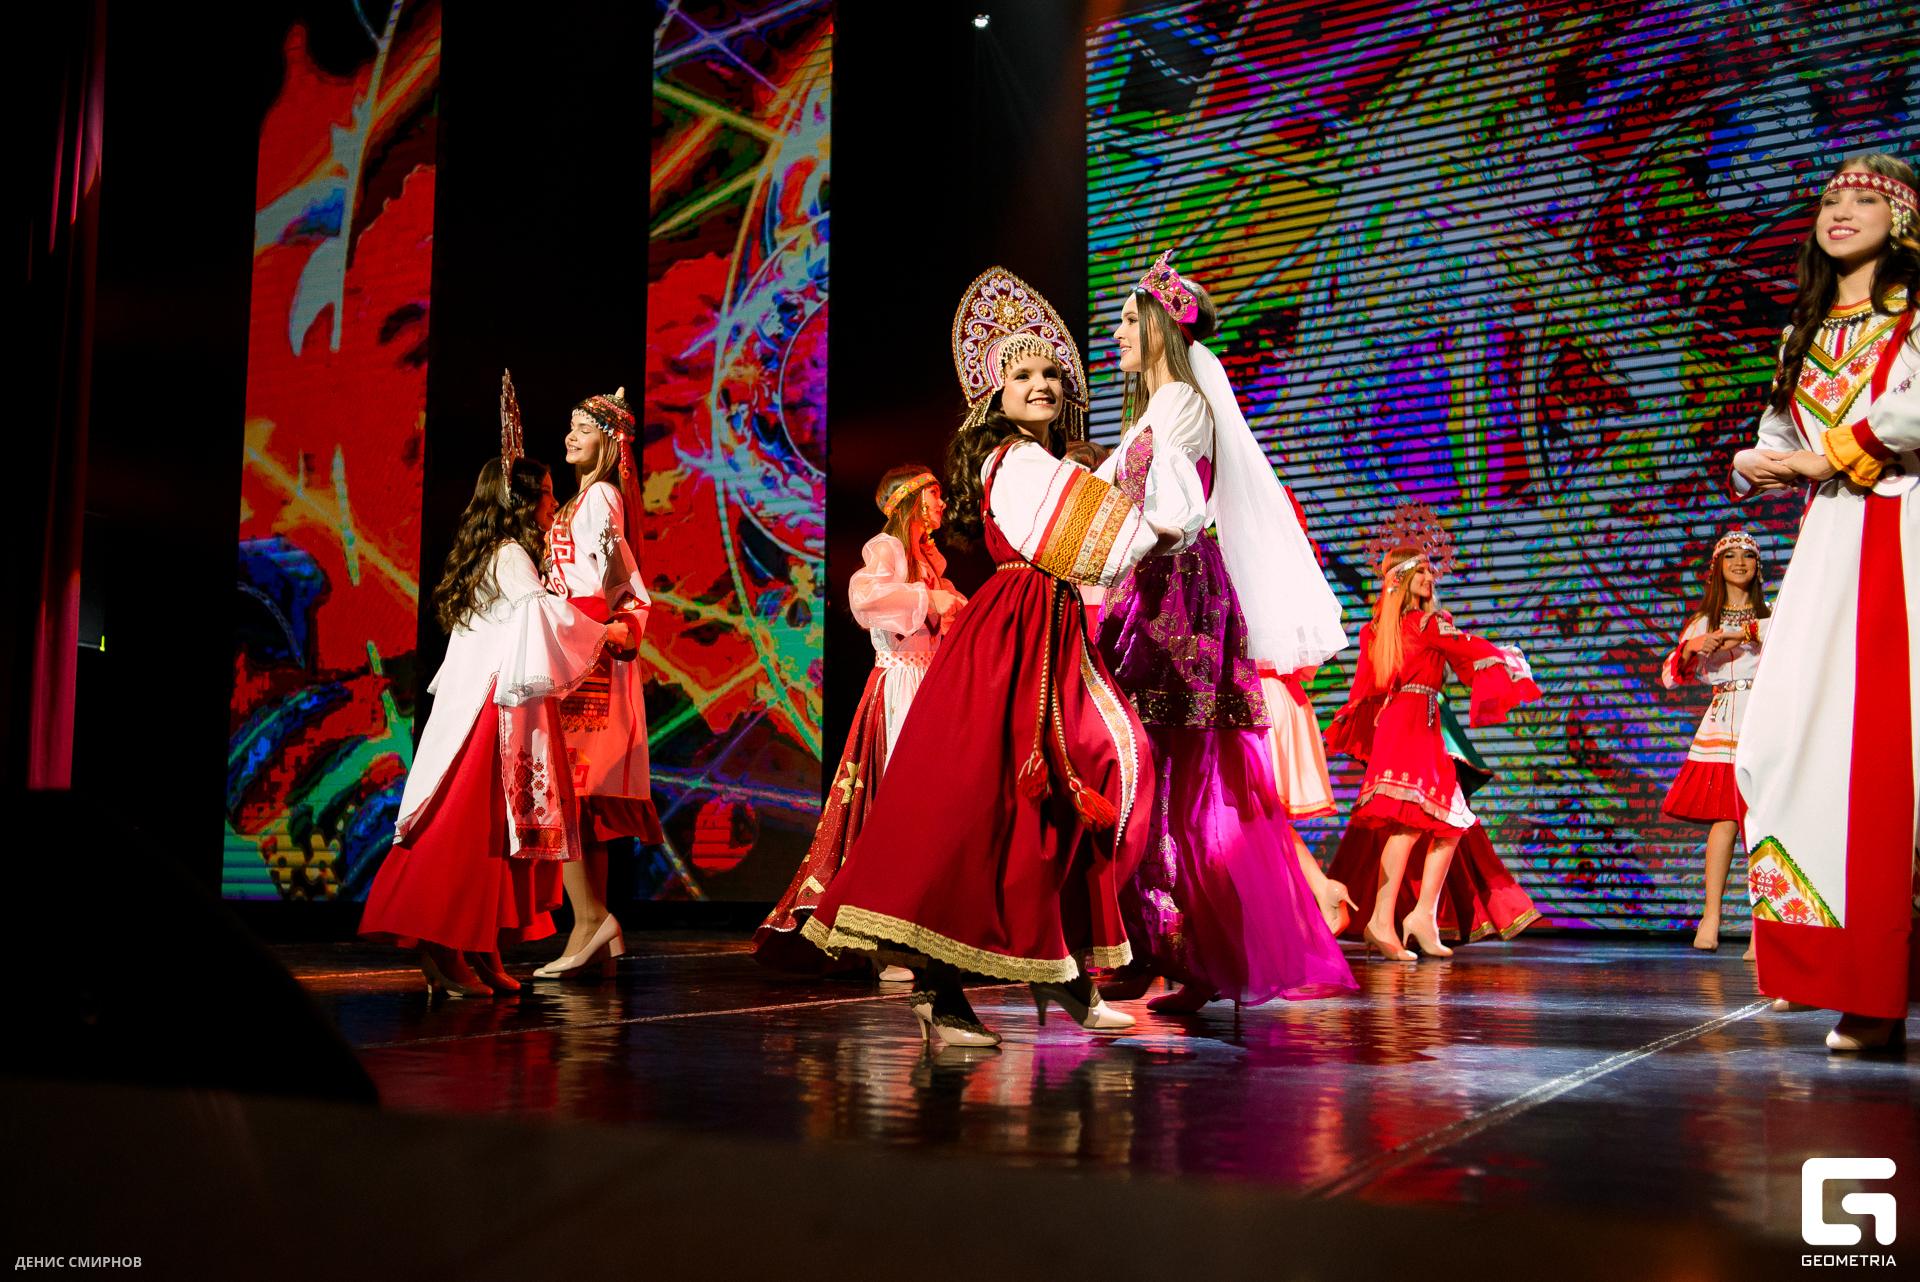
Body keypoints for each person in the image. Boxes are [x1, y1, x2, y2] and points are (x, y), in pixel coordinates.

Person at [803, 266, 1170, 1047]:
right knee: (999, 798)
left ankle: (1060, 971)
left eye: (1050, 375)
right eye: (1022, 375)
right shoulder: (1013, 461)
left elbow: (1101, 531)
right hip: (1015, 636)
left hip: (1049, 629)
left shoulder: (1049, 461)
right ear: (995, 397)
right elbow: (1103, 538)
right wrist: (1159, 516)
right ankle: (945, 990)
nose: (1041, 385)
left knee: (1068, 790)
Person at [1088, 252, 1353, 1011]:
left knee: (1177, 767)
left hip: (1174, 588)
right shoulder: (1156, 407)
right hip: (1154, 582)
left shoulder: (1179, 404)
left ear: (1161, 326)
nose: (1115, 333)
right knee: (1157, 766)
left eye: (1128, 320)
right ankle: (1165, 946)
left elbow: (1162, 500)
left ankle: (1191, 949)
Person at [1732, 153, 1919, 1053]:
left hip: (1902, 528)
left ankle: (1875, 989)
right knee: (1781, 746)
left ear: (1904, 220)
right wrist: (1759, 458)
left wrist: (1833, 453)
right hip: (1829, 545)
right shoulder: (1802, 330)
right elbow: (1781, 429)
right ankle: (1833, 965)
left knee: (1886, 755)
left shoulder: (1914, 315)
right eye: (1831, 197)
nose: (1841, 208)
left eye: (1865, 198)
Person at [360, 427, 627, 995]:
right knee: (472, 830)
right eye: (547, 493)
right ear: (522, 501)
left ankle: (476, 946)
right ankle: (443, 942)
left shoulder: (497, 553)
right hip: (493, 711)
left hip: (489, 702)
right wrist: (605, 631)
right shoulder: (508, 555)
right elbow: (541, 615)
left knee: (496, 832)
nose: (554, 503)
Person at [753, 464, 966, 976]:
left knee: (929, 812)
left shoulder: (929, 560)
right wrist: (931, 599)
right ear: (911, 501)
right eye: (934, 493)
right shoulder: (887, 549)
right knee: (898, 809)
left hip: (928, 685)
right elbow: (864, 597)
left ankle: (919, 932)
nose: (942, 503)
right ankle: (883, 941)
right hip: (900, 686)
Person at [1325, 506, 1541, 961]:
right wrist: (1510, 660)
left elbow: (1366, 691)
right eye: (1420, 571)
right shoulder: (1426, 624)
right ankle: (1385, 919)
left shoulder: (1378, 630)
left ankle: (1419, 915)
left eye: (1430, 570)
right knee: (1414, 823)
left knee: (1449, 821)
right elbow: (1469, 650)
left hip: (1402, 725)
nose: (1429, 577)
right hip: (1415, 724)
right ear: (1401, 580)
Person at [533, 387, 660, 981]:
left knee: (570, 794)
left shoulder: (601, 495)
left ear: (608, 443)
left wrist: (616, 622)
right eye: (570, 425)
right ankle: (591, 927)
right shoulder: (577, 501)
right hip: (571, 643)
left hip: (587, 650)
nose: (570, 436)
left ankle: (590, 920)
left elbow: (616, 573)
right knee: (576, 800)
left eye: (584, 428)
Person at [1659, 530, 1770, 955]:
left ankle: (1763, 927)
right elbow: (1670, 678)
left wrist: (1746, 633)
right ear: (1717, 567)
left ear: (1758, 566)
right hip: (1723, 720)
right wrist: (1691, 646)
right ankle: (1711, 917)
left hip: (1764, 716)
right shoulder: (1704, 620)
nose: (1740, 563)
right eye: (1730, 556)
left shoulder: (1773, 614)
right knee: (1725, 820)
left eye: (1748, 556)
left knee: (1760, 821)